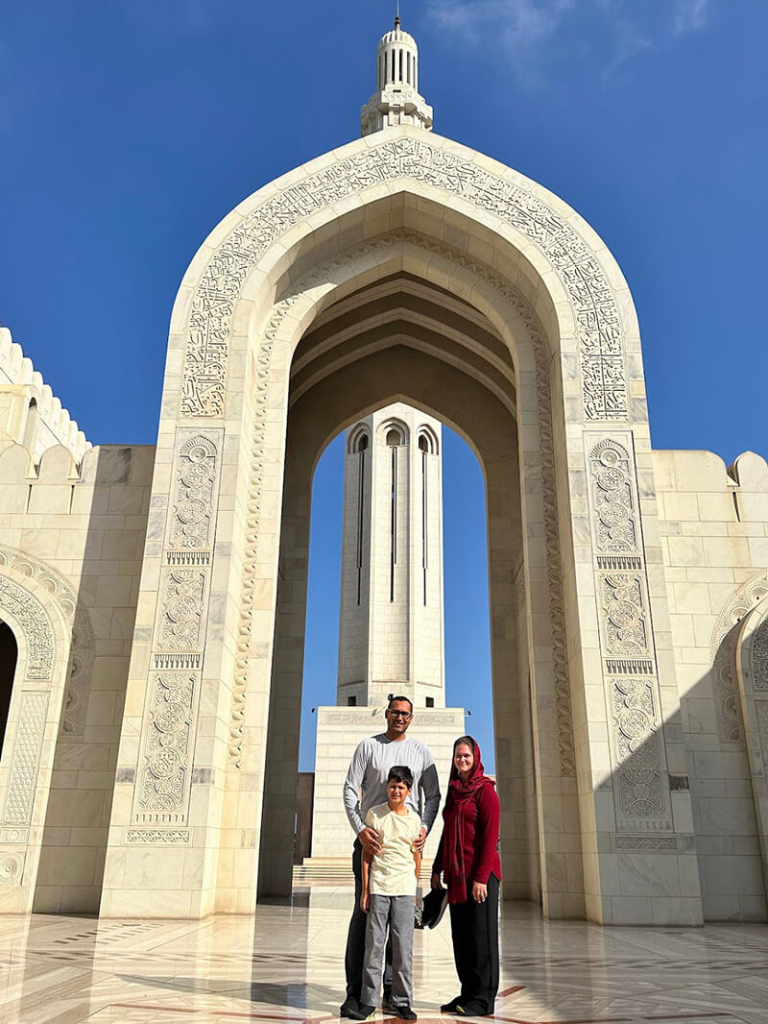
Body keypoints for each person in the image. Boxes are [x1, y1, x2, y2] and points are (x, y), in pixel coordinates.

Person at [341, 695, 441, 1018]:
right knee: (365, 918)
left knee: (400, 927)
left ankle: (392, 992)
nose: (400, 718)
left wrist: (424, 828)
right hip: (372, 842)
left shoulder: (420, 752)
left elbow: (434, 794)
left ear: (412, 719)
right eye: (395, 712)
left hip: (404, 850)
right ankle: (356, 993)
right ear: (386, 714)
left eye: (405, 714)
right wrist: (360, 830)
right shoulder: (368, 748)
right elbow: (349, 790)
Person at [431, 736, 501, 1017]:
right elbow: (448, 833)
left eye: (466, 756)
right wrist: (437, 868)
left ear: (475, 758)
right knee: (462, 937)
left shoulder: (485, 791)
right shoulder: (455, 790)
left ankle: (483, 999)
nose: (462, 760)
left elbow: (490, 837)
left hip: (479, 877)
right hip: (457, 877)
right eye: (458, 756)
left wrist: (482, 878)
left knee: (481, 937)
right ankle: (468, 993)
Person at [350, 766, 422, 1021]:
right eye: (393, 786)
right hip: (379, 887)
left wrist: (414, 888)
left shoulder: (414, 820)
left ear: (408, 791)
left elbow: (417, 855)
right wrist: (366, 889)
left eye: (401, 787)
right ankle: (368, 1000)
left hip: (403, 889)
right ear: (387, 787)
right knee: (374, 946)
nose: (396, 790)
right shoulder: (375, 815)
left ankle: (402, 1001)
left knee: (403, 947)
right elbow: (366, 854)